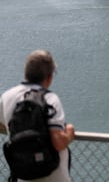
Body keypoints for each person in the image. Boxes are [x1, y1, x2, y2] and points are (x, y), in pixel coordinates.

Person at [0, 50, 75, 182]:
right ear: (50, 76)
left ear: (26, 73)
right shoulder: (50, 99)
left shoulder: (7, 97)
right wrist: (70, 132)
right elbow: (58, 142)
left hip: (24, 175)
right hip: (54, 176)